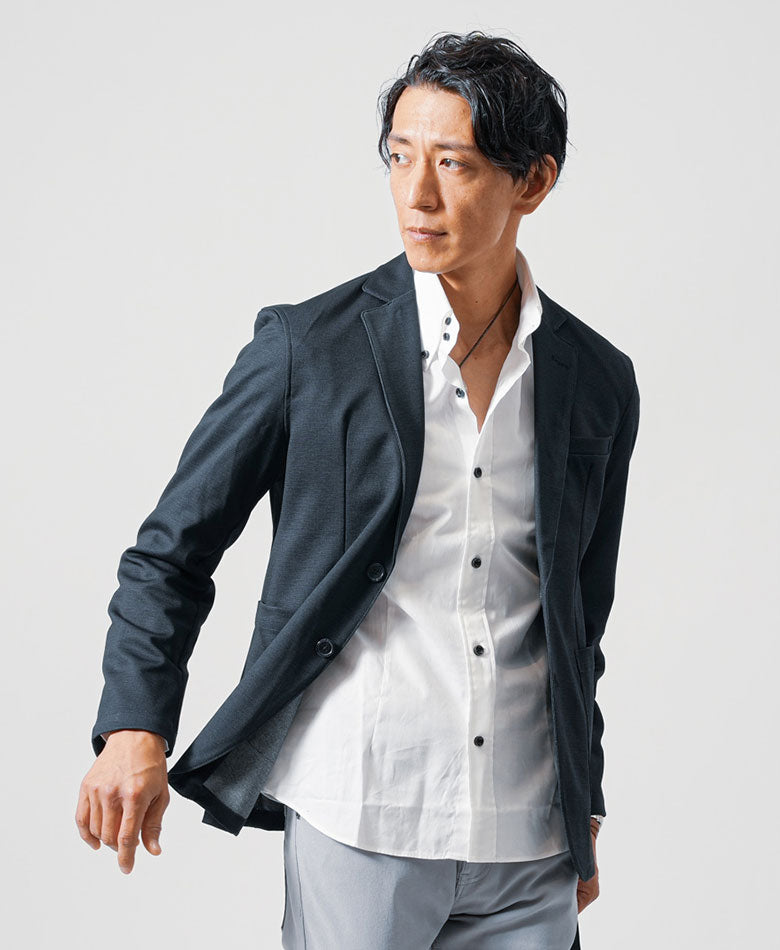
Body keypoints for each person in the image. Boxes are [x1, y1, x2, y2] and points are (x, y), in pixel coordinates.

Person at [76, 30, 640, 949]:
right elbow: (171, 550)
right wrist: (132, 727)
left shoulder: (597, 380)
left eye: (452, 163)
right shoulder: (308, 349)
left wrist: (585, 798)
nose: (417, 195)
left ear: (532, 183)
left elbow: (579, 621)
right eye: (400, 157)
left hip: (529, 833)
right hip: (364, 805)